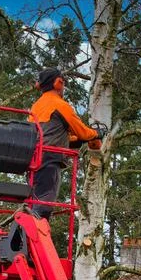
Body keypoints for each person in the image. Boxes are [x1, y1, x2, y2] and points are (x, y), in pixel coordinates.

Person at [27, 68, 105, 220]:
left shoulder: (36, 106)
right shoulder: (60, 105)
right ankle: (36, 227)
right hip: (50, 158)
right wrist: (97, 133)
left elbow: (49, 134)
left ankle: (29, 227)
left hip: (33, 158)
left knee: (34, 197)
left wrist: (78, 140)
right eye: (62, 84)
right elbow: (82, 131)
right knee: (44, 201)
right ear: (58, 82)